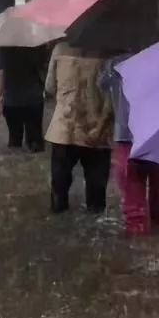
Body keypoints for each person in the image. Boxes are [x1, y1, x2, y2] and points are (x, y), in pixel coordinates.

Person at [99, 54, 159, 235]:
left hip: (126, 140)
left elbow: (102, 86)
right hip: (156, 137)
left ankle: (138, 239)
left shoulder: (114, 63)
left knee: (133, 204)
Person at [45, 40, 113, 213]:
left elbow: (50, 87)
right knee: (96, 195)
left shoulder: (60, 49)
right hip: (97, 131)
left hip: (63, 129)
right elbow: (113, 95)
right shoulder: (109, 53)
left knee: (59, 188)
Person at [0, 47, 45, 152]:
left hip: (12, 100)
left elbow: (0, 74)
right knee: (35, 138)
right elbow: (42, 71)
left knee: (14, 138)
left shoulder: (5, 49)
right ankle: (34, 145)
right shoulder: (35, 46)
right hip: (33, 99)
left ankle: (16, 152)